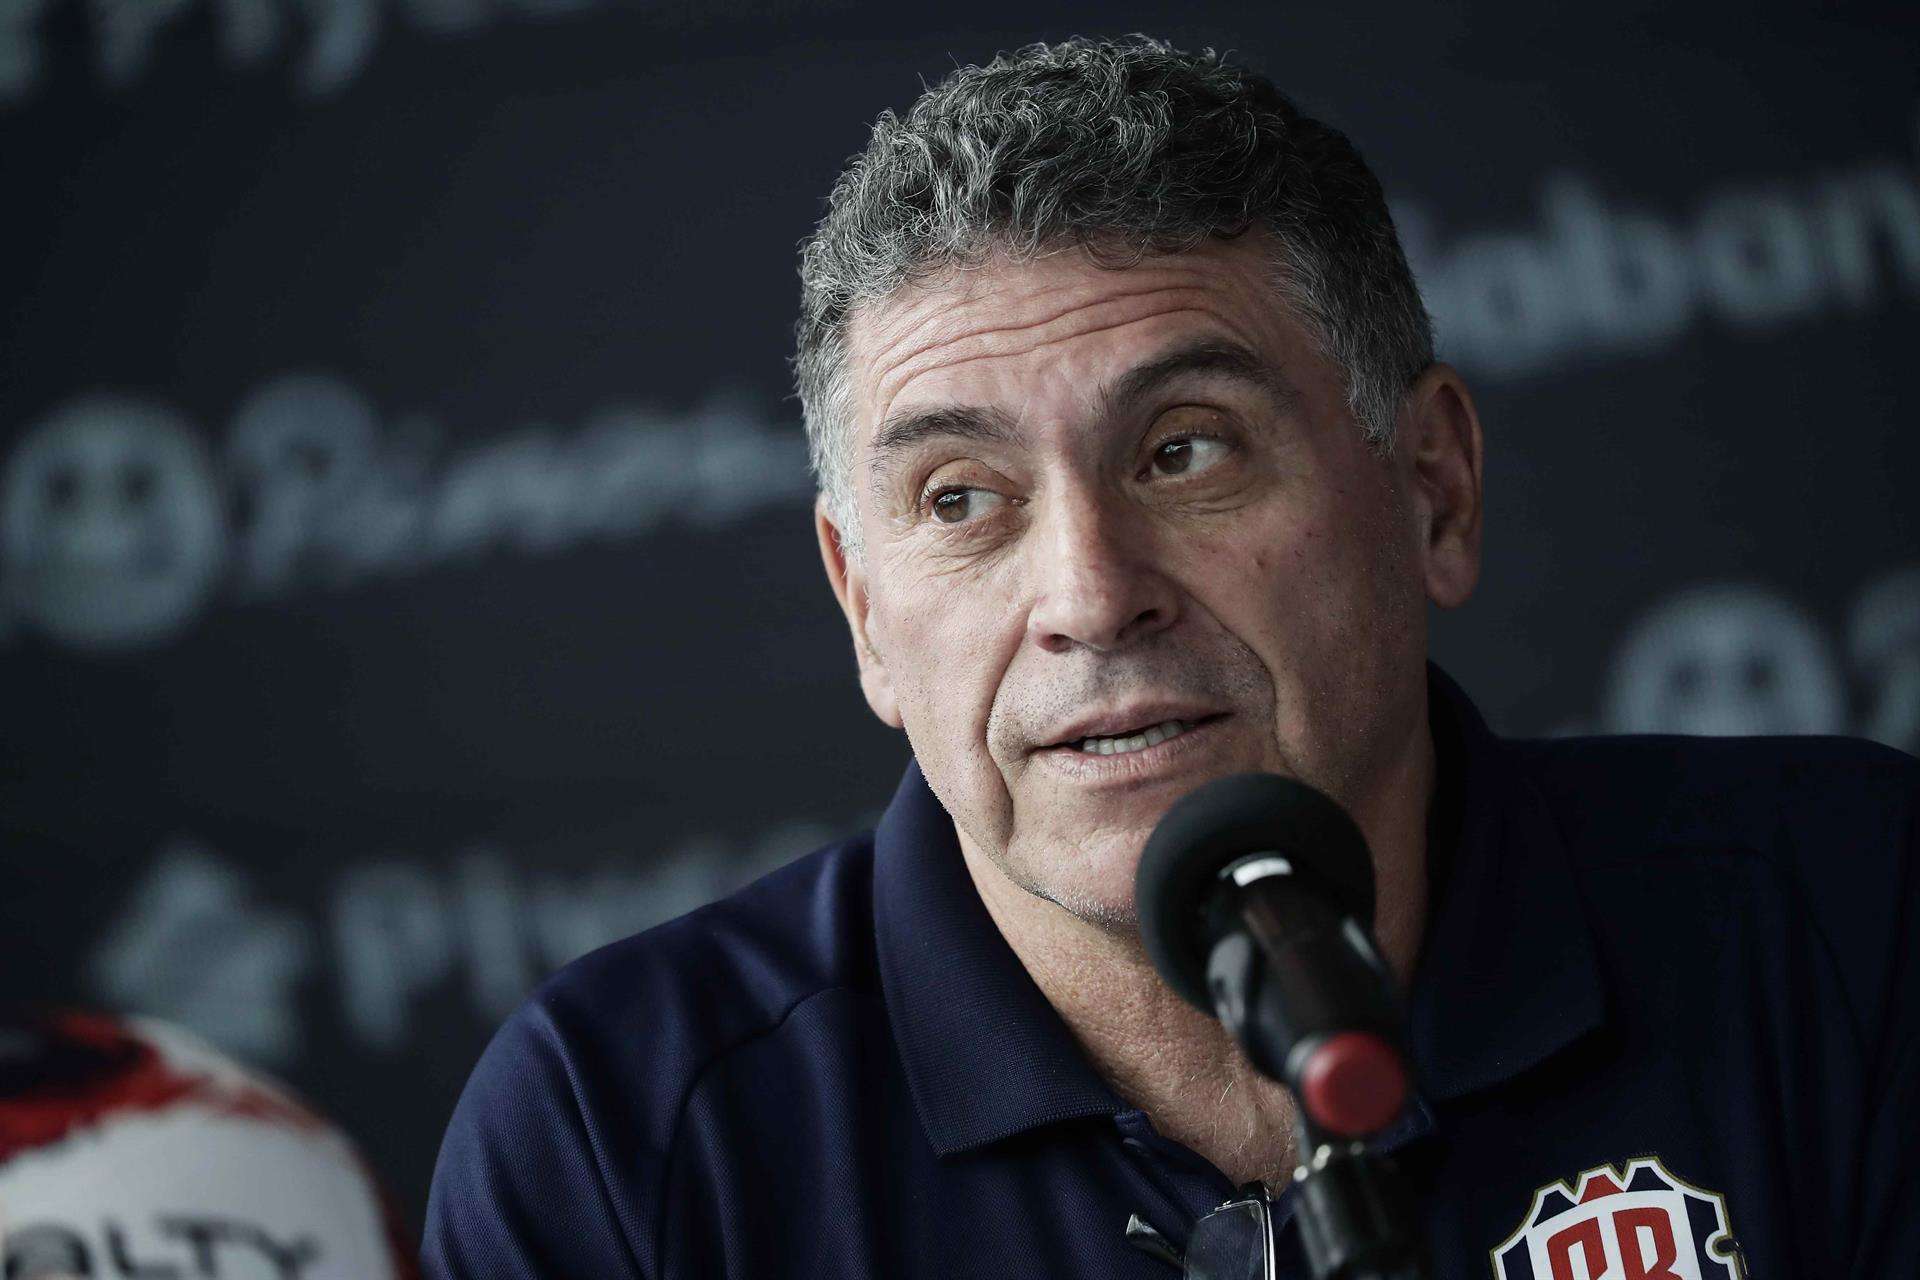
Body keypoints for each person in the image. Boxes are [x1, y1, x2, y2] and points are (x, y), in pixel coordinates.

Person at [421, 35, 1918, 1279]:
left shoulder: (1850, 924)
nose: (1089, 596)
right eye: (961, 500)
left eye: (1185, 451)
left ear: (1433, 490)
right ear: (864, 608)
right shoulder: (621, 1137)